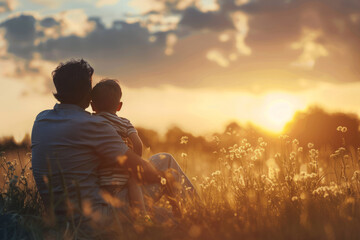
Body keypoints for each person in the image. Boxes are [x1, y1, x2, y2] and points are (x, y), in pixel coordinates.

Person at [31, 59, 196, 234]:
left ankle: (178, 220)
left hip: (59, 221)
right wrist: (165, 180)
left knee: (166, 217)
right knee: (166, 161)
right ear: (88, 92)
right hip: (97, 219)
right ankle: (199, 215)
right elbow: (140, 169)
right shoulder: (92, 125)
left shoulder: (41, 120)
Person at [90, 79, 148, 219]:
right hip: (122, 172)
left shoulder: (91, 121)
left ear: (92, 105)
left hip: (100, 174)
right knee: (134, 182)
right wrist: (134, 166)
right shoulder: (124, 122)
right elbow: (138, 144)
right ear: (119, 106)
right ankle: (142, 217)